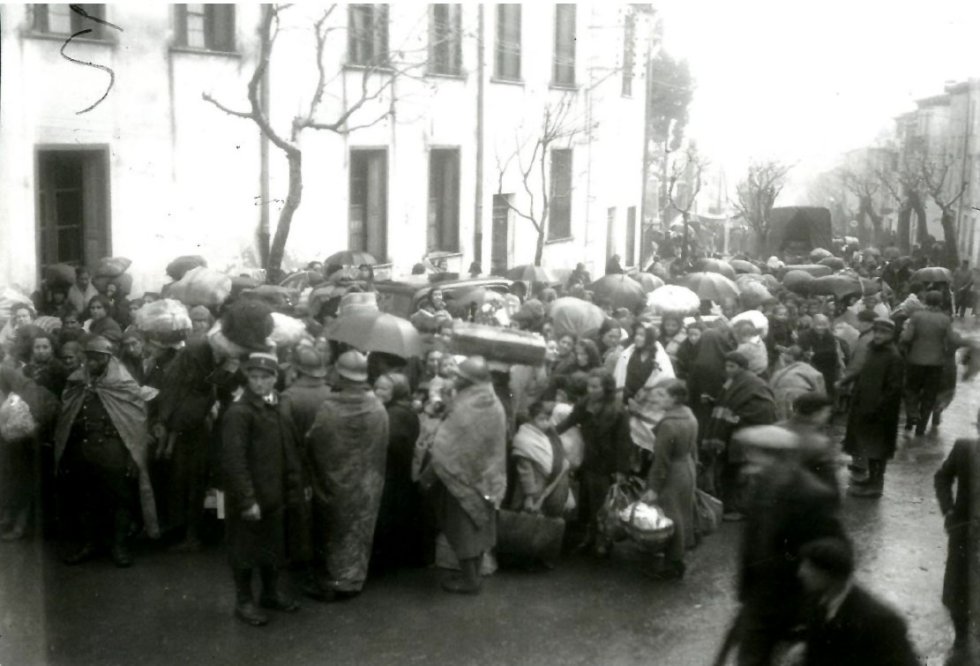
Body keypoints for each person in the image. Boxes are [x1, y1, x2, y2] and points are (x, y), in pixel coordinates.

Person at [723, 425, 845, 666]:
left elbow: (836, 556)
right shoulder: (763, 485)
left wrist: (814, 615)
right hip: (760, 597)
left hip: (794, 603)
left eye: (754, 455)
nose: (748, 463)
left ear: (778, 457)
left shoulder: (813, 496)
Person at [54, 336, 159, 567]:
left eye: (96, 358)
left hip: (113, 451)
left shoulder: (123, 384)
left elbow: (135, 425)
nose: (90, 362)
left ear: (106, 358)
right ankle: (90, 544)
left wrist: (134, 458)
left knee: (120, 499)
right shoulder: (78, 382)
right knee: (85, 499)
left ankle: (119, 546)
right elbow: (68, 416)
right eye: (88, 357)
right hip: (83, 449)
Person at [221, 352, 302, 627]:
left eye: (265, 377)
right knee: (244, 551)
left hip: (273, 494)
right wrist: (247, 500)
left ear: (274, 379)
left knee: (272, 547)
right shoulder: (239, 412)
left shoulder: (275, 406)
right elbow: (235, 461)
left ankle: (269, 593)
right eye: (253, 377)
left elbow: (287, 448)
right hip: (251, 496)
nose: (258, 383)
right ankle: (244, 601)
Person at [305, 351, 389, 601]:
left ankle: (334, 581)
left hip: (335, 481)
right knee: (359, 530)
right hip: (367, 483)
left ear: (341, 375)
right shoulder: (377, 408)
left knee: (334, 529)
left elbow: (314, 440)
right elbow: (382, 443)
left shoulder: (330, 408)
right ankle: (352, 579)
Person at [419, 356, 507, 594]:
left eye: (460, 377)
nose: (455, 379)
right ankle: (473, 576)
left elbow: (448, 444)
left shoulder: (471, 405)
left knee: (463, 529)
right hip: (485, 477)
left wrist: (427, 475)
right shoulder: (490, 400)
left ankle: (470, 581)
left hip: (462, 477)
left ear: (471, 380)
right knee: (479, 530)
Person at [798, 537, 919, 666]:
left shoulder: (881, 621)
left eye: (809, 568)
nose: (801, 572)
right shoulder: (817, 600)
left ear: (828, 575)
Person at [556, 368, 632, 557]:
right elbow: (569, 422)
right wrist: (548, 433)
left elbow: (624, 442)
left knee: (603, 504)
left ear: (606, 388)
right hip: (589, 459)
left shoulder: (617, 410)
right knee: (588, 501)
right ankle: (590, 537)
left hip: (606, 463)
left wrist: (622, 470)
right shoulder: (585, 403)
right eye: (589, 386)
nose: (590, 390)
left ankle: (603, 540)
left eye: (595, 387)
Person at [701, 351, 776, 520]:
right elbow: (729, 403)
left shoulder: (754, 383)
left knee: (740, 473)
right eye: (726, 366)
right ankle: (731, 506)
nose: (728, 369)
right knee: (730, 471)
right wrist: (713, 401)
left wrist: (739, 418)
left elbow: (766, 408)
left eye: (732, 366)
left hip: (745, 436)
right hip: (731, 436)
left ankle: (740, 509)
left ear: (742, 367)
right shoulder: (732, 382)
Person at [279, 346, 333, 571]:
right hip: (326, 460)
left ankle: (300, 555)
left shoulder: (288, 397)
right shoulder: (331, 393)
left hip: (298, 460)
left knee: (298, 508)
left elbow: (282, 434)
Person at [642, 379, 697, 580]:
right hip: (686, 468)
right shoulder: (689, 415)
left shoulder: (668, 424)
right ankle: (677, 559)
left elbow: (661, 460)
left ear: (674, 398)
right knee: (683, 514)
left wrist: (654, 487)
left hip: (672, 473)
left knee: (670, 517)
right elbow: (693, 448)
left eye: (663, 395)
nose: (658, 399)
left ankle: (673, 564)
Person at [934, 423, 980, 663]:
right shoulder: (964, 448)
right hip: (964, 532)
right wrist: (949, 510)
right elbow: (942, 476)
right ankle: (961, 638)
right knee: (957, 587)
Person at [843, 318, 904, 498]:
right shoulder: (873, 350)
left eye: (883, 333)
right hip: (866, 406)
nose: (878, 335)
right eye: (876, 331)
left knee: (878, 449)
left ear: (892, 335)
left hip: (881, 412)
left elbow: (894, 390)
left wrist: (877, 409)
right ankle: (871, 479)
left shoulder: (894, 357)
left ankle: (876, 485)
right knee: (869, 446)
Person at [372, 372, 425, 570]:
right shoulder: (399, 410)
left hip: (392, 474)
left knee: (388, 516)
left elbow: (389, 443)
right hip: (396, 474)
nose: (378, 391)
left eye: (384, 389)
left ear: (397, 391)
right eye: (376, 387)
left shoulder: (395, 414)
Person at [900, 290, 961, 435]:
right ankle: (920, 429)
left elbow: (907, 338)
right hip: (935, 364)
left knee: (911, 390)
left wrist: (903, 335)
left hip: (915, 360)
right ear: (940, 302)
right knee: (929, 396)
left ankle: (910, 420)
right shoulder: (944, 319)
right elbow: (952, 340)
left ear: (926, 301)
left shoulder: (916, 316)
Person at [509, 401, 570, 518]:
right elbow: (526, 472)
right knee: (523, 520)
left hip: (545, 490)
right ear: (531, 420)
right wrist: (529, 496)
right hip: (529, 492)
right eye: (541, 419)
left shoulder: (548, 437)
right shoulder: (525, 440)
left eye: (548, 420)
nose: (546, 424)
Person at [613, 322, 675, 404]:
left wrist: (646, 392)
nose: (637, 338)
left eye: (641, 335)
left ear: (650, 338)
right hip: (626, 397)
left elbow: (664, 378)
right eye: (636, 334)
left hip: (649, 401)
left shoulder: (660, 358)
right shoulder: (628, 354)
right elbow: (619, 376)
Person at [768, 345, 826, 421]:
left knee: (783, 422)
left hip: (779, 395)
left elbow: (771, 386)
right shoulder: (810, 369)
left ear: (790, 358)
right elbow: (820, 391)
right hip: (800, 395)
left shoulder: (780, 372)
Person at [797, 314, 844, 402]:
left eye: (824, 324)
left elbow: (833, 352)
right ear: (813, 325)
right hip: (812, 368)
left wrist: (816, 353)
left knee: (829, 393)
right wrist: (807, 354)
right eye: (818, 324)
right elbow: (802, 352)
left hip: (829, 369)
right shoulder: (804, 335)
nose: (821, 328)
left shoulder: (830, 336)